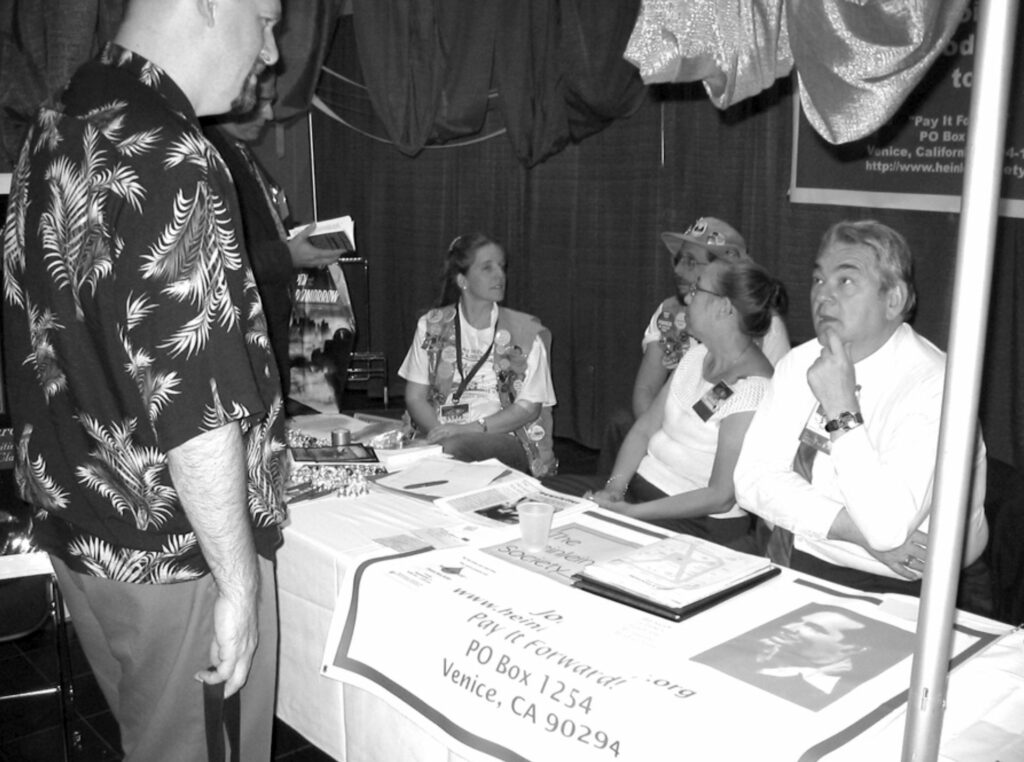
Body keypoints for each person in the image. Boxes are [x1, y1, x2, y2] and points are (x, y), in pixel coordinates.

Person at [2, 1, 285, 759]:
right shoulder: (173, 151)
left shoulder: (56, 124)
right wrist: (237, 585)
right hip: (179, 557)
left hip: (82, 531)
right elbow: (196, 402)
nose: (272, 49)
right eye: (266, 17)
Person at [734, 220, 990, 599]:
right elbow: (750, 482)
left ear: (894, 300)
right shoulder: (797, 362)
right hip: (801, 555)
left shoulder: (938, 386)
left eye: (846, 281)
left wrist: (841, 407)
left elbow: (886, 526)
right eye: (819, 280)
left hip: (913, 588)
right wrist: (855, 532)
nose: (823, 296)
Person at [587, 258, 787, 549]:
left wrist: (632, 514)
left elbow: (720, 497)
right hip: (639, 498)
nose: (688, 298)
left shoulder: (754, 389)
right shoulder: (697, 356)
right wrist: (614, 489)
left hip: (698, 524)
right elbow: (644, 429)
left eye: (698, 290)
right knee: (547, 506)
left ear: (725, 307)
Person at [203, 74, 355, 413]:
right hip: (246, 335)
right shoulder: (208, 157)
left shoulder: (241, 151)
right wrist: (289, 254)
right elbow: (215, 263)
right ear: (228, 96)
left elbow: (272, 225)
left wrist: (307, 243)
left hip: (281, 325)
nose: (270, 115)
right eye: (263, 102)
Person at [597, 216, 790, 474]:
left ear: (725, 272)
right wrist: (660, 434)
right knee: (621, 426)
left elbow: (771, 416)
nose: (678, 271)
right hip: (669, 422)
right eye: (678, 260)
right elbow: (646, 387)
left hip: (718, 447)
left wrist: (683, 442)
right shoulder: (669, 312)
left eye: (690, 262)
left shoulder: (766, 328)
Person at [399, 233, 558, 476]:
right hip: (442, 431)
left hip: (503, 437)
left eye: (501, 267)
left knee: (452, 449)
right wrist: (438, 431)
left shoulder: (526, 333)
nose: (500, 276)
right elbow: (415, 397)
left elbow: (529, 408)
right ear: (462, 280)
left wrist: (469, 429)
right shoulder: (432, 325)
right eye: (487, 268)